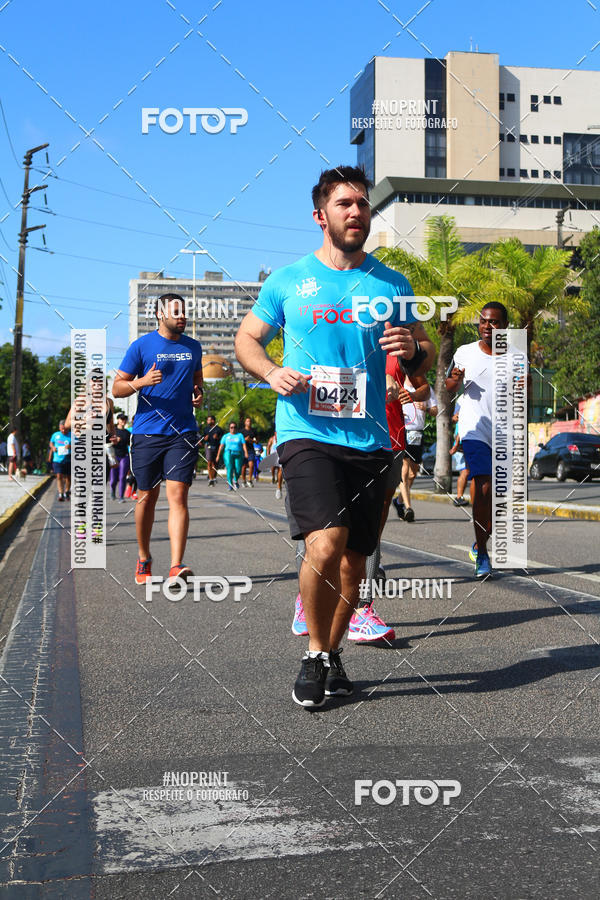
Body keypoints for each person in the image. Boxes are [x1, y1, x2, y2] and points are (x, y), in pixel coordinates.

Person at [235, 164, 434, 708]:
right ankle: (314, 653)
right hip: (307, 431)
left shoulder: (392, 284)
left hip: (371, 441)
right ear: (321, 216)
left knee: (355, 565)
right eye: (345, 204)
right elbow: (246, 339)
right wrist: (271, 371)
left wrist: (412, 349)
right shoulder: (287, 281)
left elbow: (425, 349)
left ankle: (333, 650)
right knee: (324, 543)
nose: (356, 212)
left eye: (363, 204)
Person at [112, 293, 203, 585]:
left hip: (183, 432)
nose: (182, 316)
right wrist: (140, 382)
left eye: (184, 311)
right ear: (160, 314)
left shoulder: (193, 347)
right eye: (176, 311)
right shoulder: (141, 346)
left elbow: (196, 381)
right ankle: (143, 557)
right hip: (147, 433)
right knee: (146, 498)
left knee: (178, 495)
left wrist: (198, 393)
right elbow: (117, 389)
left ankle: (176, 565)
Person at [445, 301, 511, 578]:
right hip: (475, 429)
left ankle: (478, 542)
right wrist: (455, 380)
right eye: (483, 321)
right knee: (483, 485)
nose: (487, 326)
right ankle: (483, 555)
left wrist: (527, 386)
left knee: (503, 500)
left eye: (494, 322)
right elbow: (448, 389)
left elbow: (523, 396)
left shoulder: (515, 355)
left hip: (506, 430)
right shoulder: (464, 352)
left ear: (504, 327)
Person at [392, 379, 437, 522]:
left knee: (413, 472)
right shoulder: (400, 387)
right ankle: (408, 508)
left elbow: (436, 410)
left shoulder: (425, 388)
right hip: (403, 430)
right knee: (404, 471)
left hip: (418, 432)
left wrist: (427, 409)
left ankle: (398, 502)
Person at [216, 421, 247, 490]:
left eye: (234, 427)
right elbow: (221, 446)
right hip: (228, 453)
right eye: (231, 427)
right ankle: (230, 484)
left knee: (238, 469)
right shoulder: (226, 436)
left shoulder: (240, 435)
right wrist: (218, 455)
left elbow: (244, 444)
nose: (233, 429)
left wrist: (246, 452)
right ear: (229, 428)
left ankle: (235, 480)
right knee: (229, 468)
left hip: (238, 453)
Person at [449, 407, 470, 506]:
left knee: (466, 472)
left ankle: (459, 496)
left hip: (462, 444)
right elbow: (453, 420)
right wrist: (456, 445)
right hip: (460, 445)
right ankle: (458, 497)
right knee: (465, 471)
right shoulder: (462, 403)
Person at [109, 414, 131, 501]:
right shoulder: (112, 431)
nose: (123, 421)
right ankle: (113, 492)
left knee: (122, 477)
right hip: (113, 456)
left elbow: (130, 444)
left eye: (125, 419)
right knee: (113, 478)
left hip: (124, 456)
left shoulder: (128, 433)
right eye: (121, 419)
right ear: (118, 420)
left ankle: (121, 497)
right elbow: (106, 441)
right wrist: (113, 441)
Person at [48, 420, 72, 501]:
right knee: (59, 476)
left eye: (65, 429)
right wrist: (53, 447)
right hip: (57, 459)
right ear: (59, 427)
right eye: (62, 429)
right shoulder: (55, 435)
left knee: (68, 477)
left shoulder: (72, 435)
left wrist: (71, 446)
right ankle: (61, 493)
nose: (63, 431)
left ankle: (67, 491)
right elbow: (51, 443)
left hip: (68, 458)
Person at [200, 415, 223, 485]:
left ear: (213, 421)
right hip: (208, 447)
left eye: (209, 420)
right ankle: (210, 479)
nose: (207, 421)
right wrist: (205, 439)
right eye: (207, 420)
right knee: (209, 462)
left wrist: (218, 437)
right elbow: (203, 437)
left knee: (215, 463)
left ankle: (213, 477)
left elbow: (223, 438)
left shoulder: (218, 429)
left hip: (216, 447)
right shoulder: (206, 429)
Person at [241, 416, 257, 487]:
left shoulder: (253, 431)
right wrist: (245, 439)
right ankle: (243, 480)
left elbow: (257, 441)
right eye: (247, 421)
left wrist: (251, 440)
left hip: (251, 450)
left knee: (251, 465)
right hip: (243, 450)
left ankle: (250, 480)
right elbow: (239, 441)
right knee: (244, 466)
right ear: (245, 423)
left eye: (250, 421)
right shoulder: (241, 432)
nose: (249, 423)